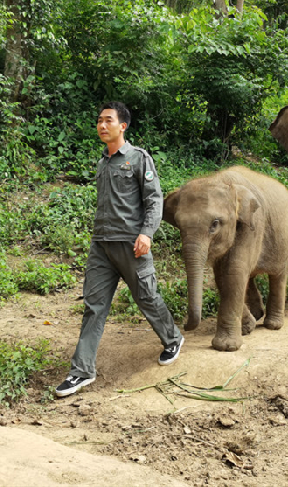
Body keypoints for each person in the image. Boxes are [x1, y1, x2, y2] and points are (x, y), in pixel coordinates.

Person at [55, 101, 184, 398]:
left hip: (131, 244)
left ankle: (172, 338)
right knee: (94, 306)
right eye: (99, 120)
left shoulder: (138, 159)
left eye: (108, 121)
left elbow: (154, 200)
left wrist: (146, 234)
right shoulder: (102, 162)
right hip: (101, 246)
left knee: (147, 296)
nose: (102, 125)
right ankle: (82, 371)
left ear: (122, 126)